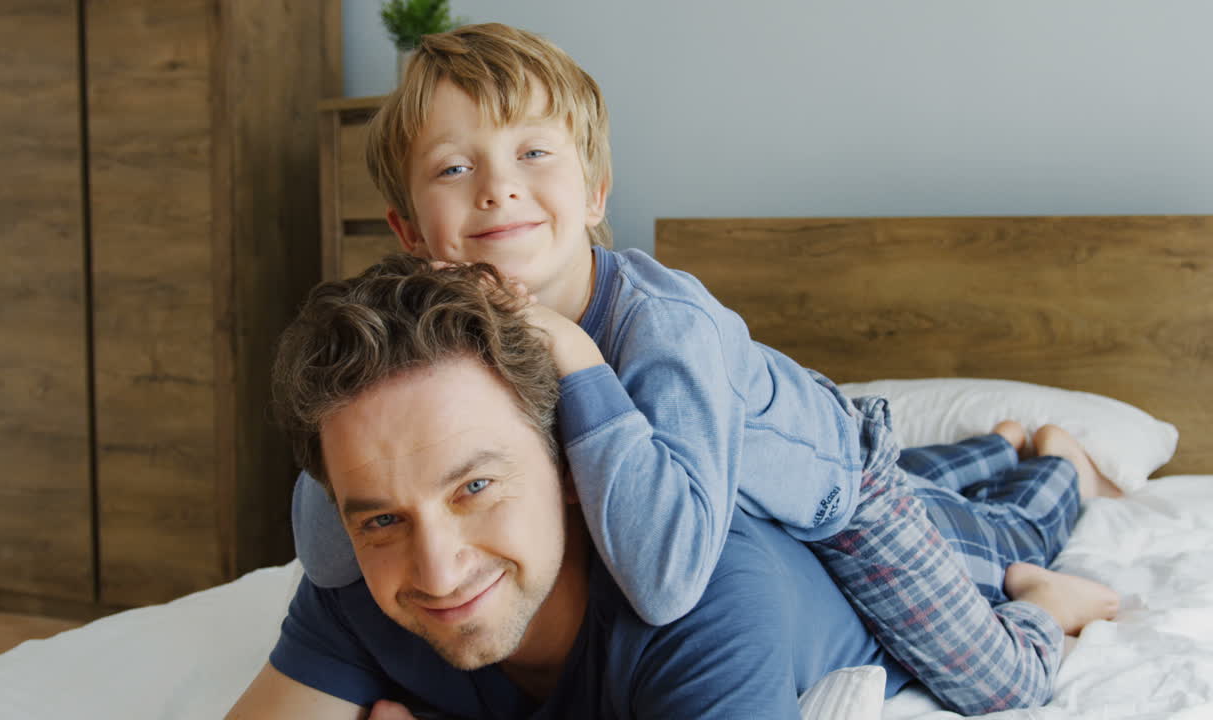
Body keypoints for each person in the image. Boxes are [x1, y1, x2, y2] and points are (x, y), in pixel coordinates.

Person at [289, 23, 1122, 714]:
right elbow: (330, 555)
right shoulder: (442, 353)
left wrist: (578, 358)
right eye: (453, 168)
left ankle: (1058, 486)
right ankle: (996, 441)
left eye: (534, 153)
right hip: (744, 470)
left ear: (596, 193)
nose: (498, 189)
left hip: (836, 490)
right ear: (407, 230)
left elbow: (665, 578)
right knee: (940, 479)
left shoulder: (663, 327)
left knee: (994, 669)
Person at [232, 257, 1114, 719]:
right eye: (384, 516)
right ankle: (993, 438)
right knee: (945, 467)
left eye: (475, 489)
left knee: (1012, 537)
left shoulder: (700, 605)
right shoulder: (364, 580)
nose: (435, 569)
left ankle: (1057, 463)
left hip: (843, 535)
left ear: (575, 468)